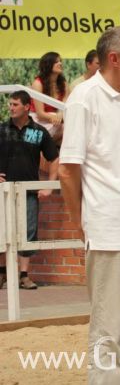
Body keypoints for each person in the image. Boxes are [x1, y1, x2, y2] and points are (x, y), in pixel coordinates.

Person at [59, 26, 120, 385]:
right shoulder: (84, 97)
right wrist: (81, 221)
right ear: (113, 58)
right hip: (108, 229)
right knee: (107, 333)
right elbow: (68, 169)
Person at [0, 91, 59, 290]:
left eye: (15, 104)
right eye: (10, 104)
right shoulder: (1, 130)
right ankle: (2, 275)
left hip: (28, 192)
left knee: (28, 233)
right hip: (2, 192)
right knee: (2, 232)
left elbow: (54, 158)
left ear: (27, 107)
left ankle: (24, 276)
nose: (11, 107)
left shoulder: (39, 132)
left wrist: (50, 185)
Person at [31, 51, 69, 141]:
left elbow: (65, 106)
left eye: (60, 61)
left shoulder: (64, 84)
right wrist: (56, 117)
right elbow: (40, 114)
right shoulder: (37, 83)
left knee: (70, 126)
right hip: (39, 120)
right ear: (48, 65)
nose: (60, 64)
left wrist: (60, 115)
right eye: (56, 62)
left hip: (57, 121)